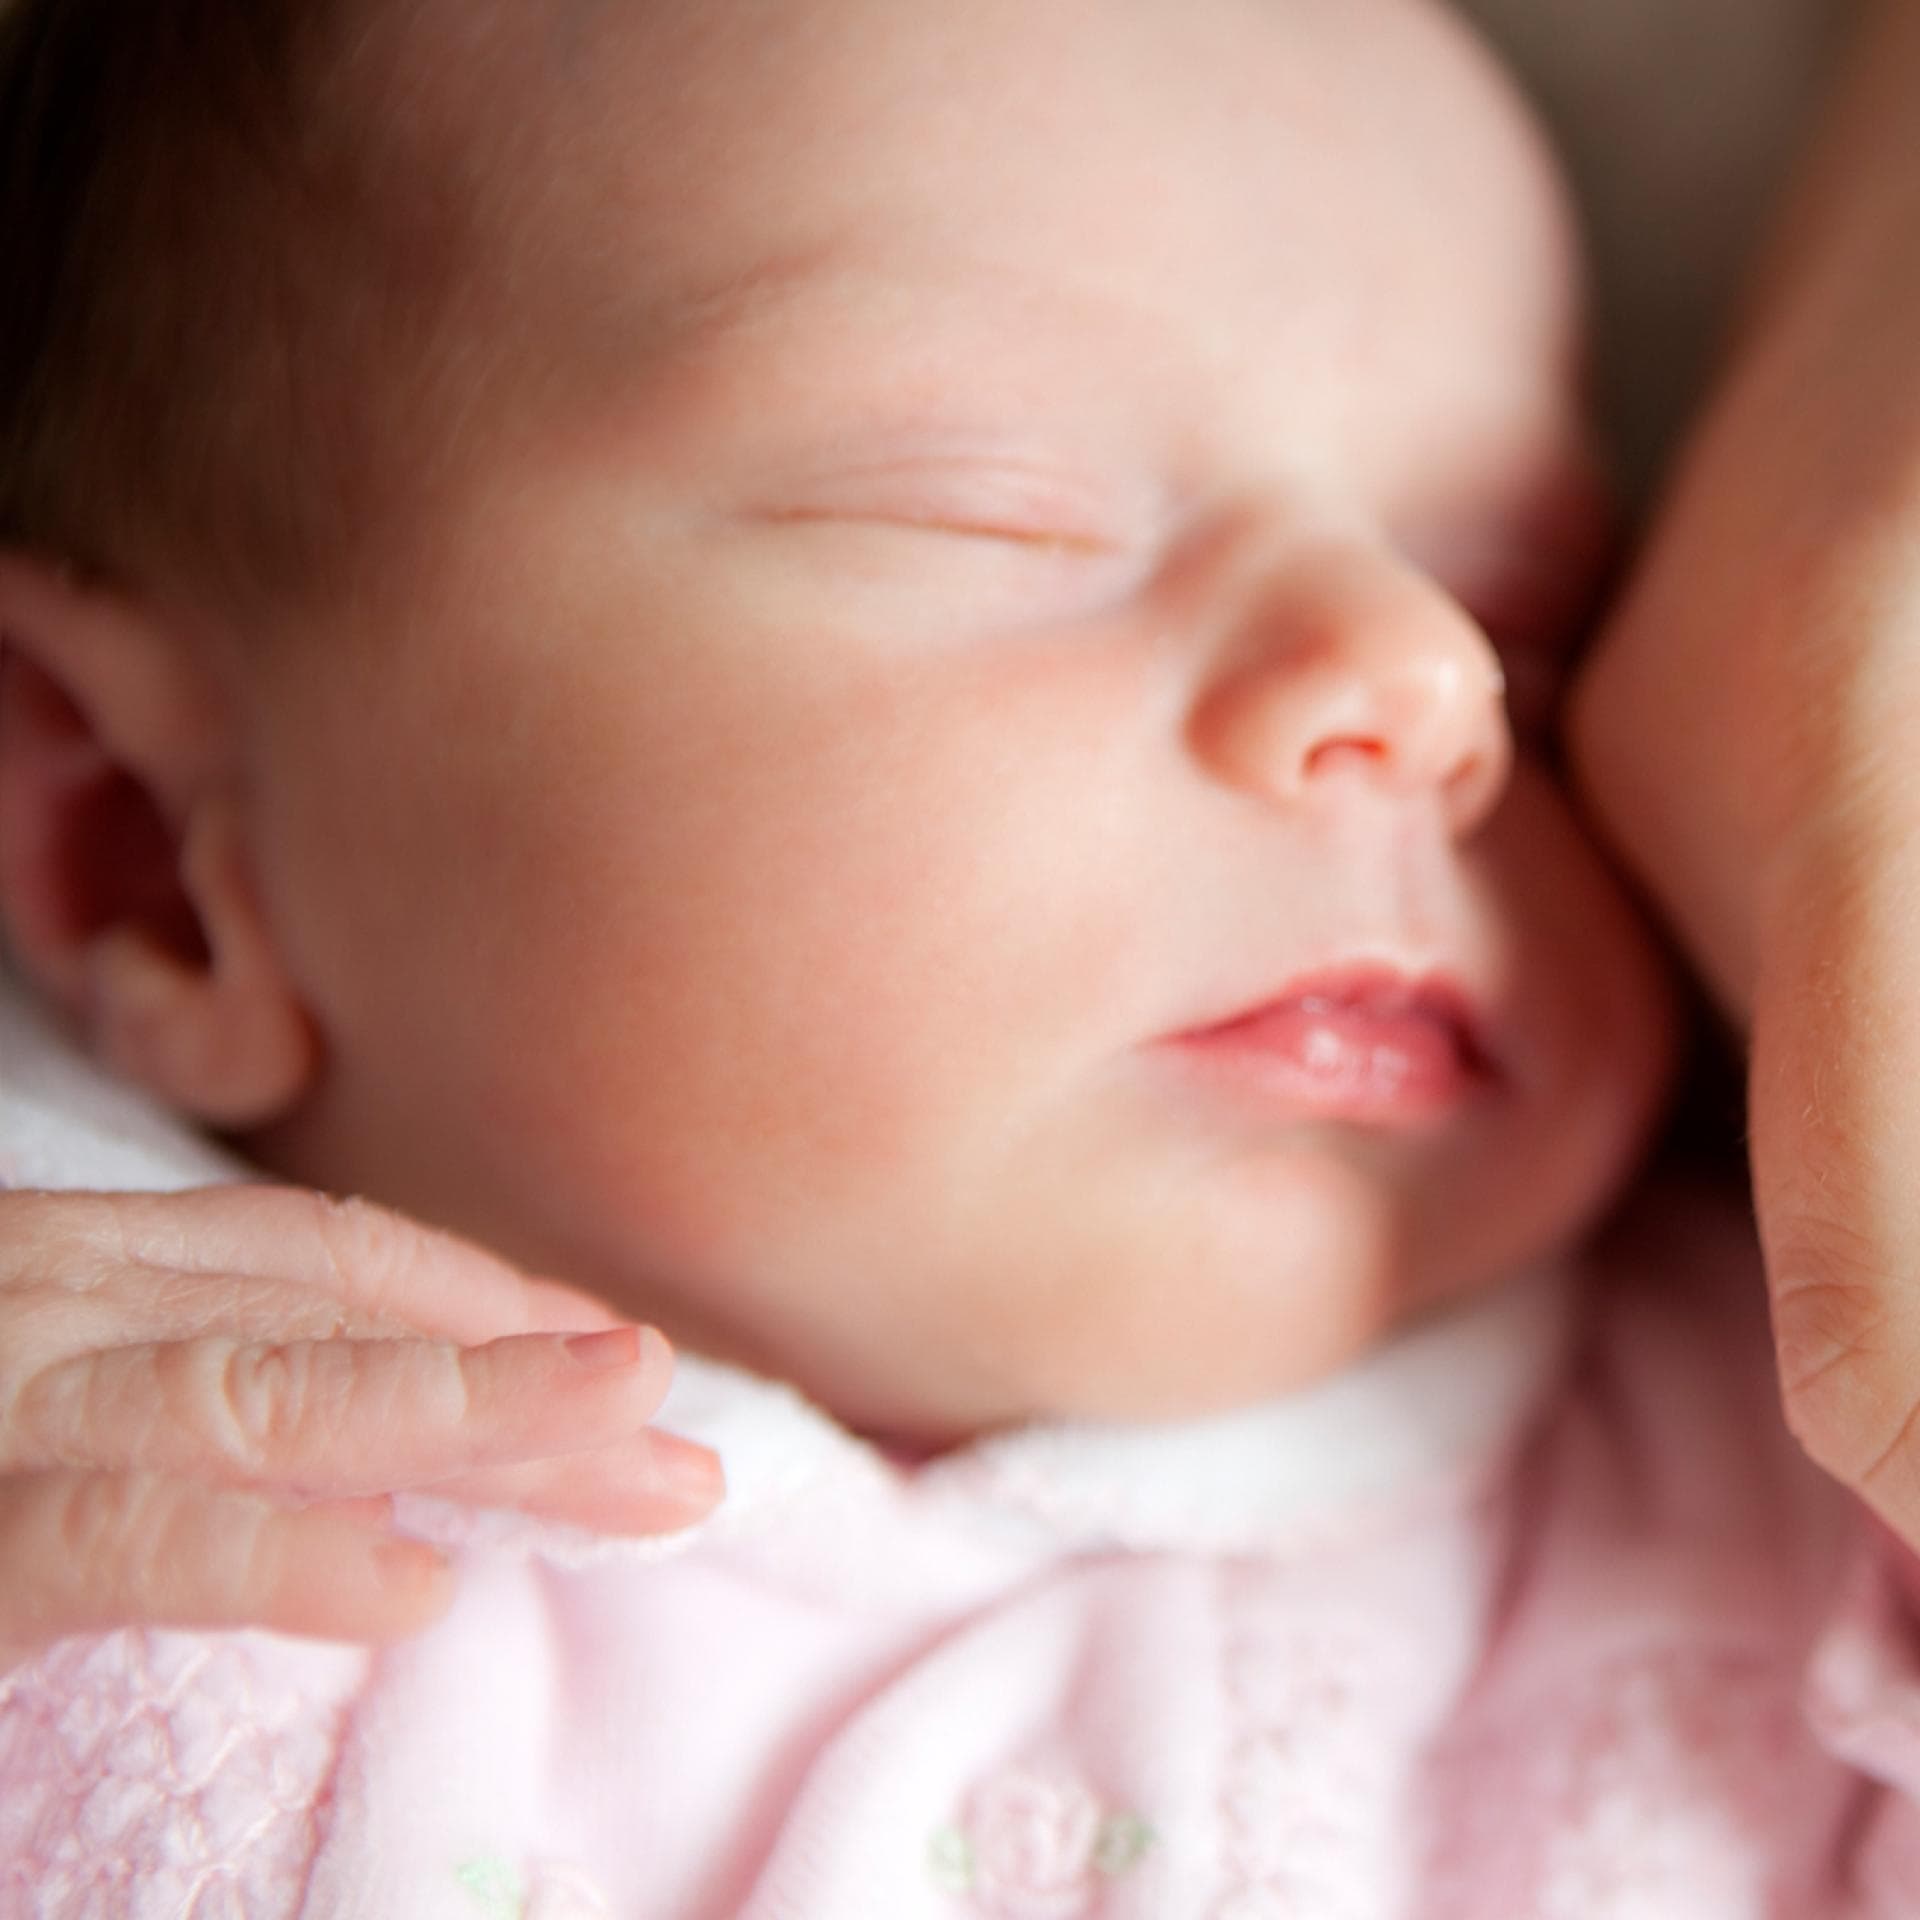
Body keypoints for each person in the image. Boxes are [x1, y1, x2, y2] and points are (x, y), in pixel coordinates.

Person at [0, 0, 1914, 1913]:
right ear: (150, 853)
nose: (1431, 683)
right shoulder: (76, 1482)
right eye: (987, 507)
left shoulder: (1795, 1489)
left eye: (1536, 612)